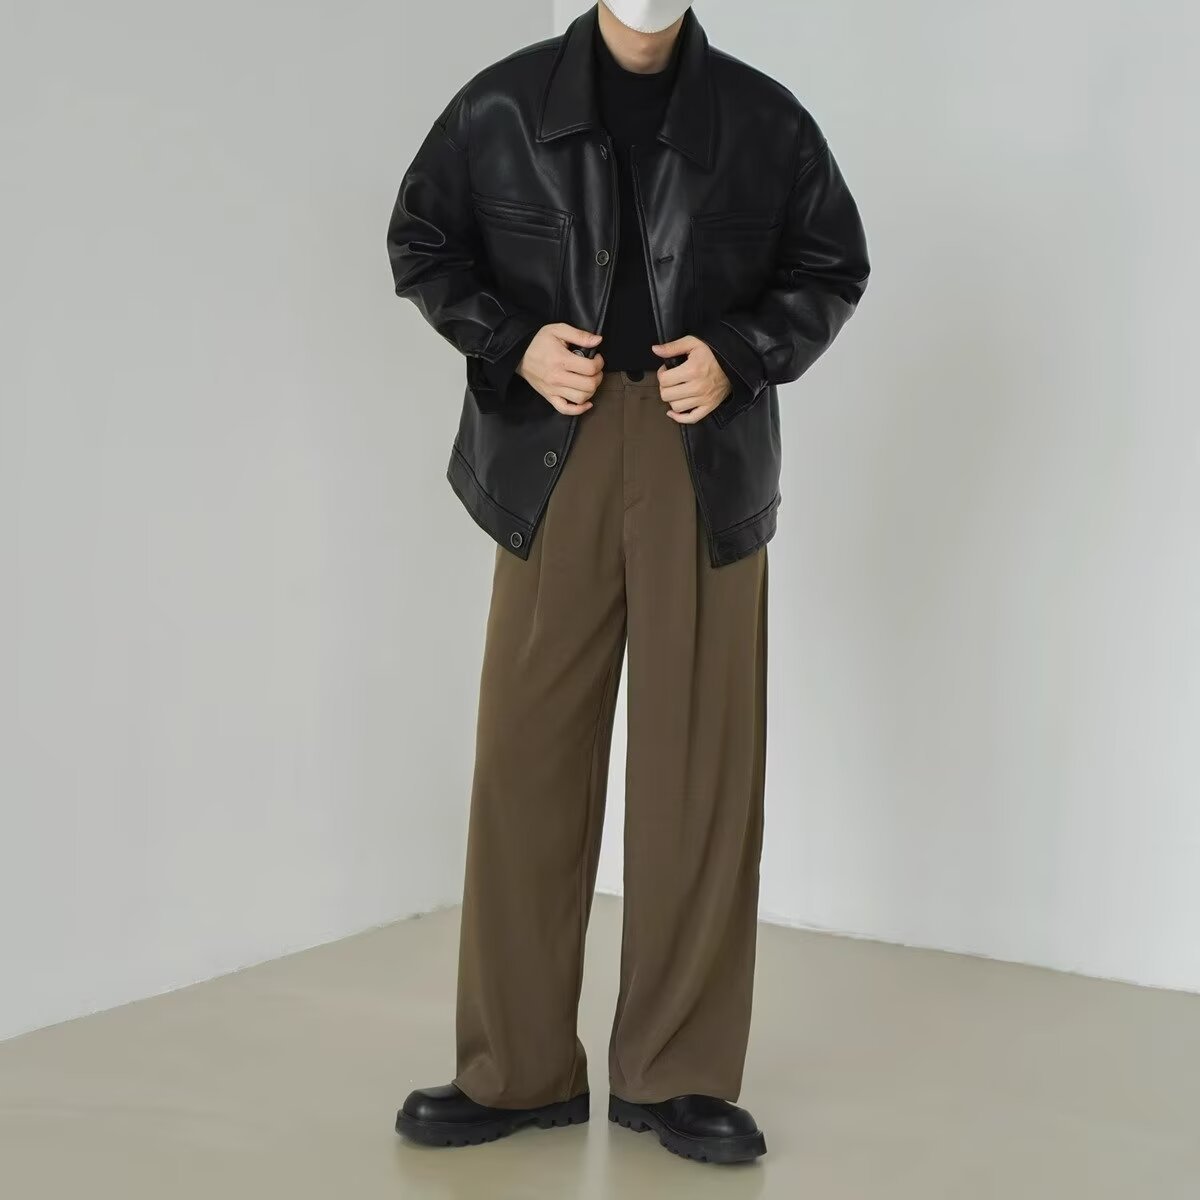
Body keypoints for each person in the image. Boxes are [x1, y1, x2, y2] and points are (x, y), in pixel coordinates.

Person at [386, 0, 868, 1166]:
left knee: (698, 768)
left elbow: (830, 264)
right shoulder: (503, 105)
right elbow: (423, 240)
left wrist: (741, 353)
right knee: (527, 755)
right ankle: (515, 1071)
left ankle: (678, 1075)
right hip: (550, 449)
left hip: (705, 453)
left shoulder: (764, 118)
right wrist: (512, 339)